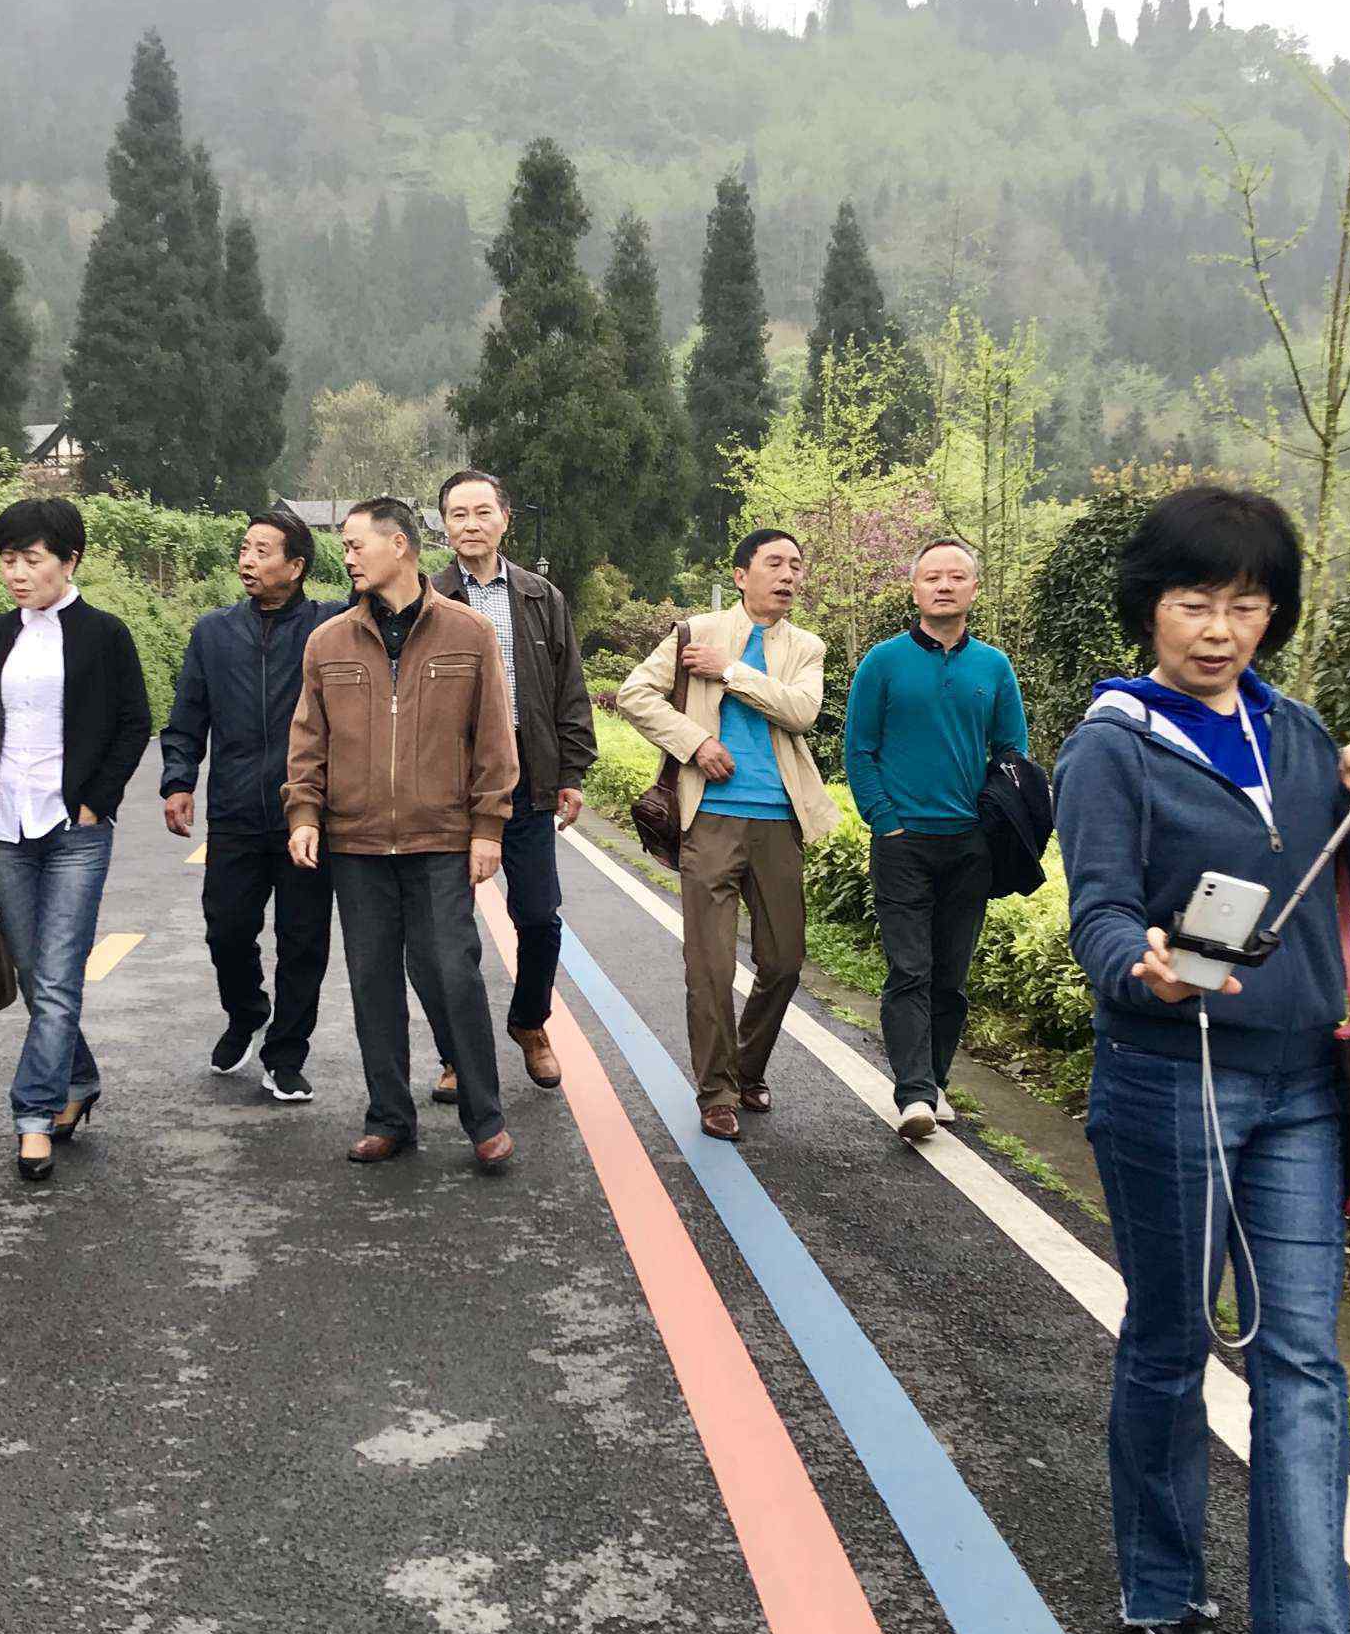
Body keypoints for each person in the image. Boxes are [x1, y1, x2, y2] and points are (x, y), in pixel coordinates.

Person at [1053, 484, 1350, 1634]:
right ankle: (1161, 1582)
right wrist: (1138, 969)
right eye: (1195, 602)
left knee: (1302, 1359)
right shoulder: (1112, 745)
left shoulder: (1297, 733)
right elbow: (1098, 908)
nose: (1219, 630)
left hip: (1305, 1086)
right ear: (1150, 607)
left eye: (1247, 605)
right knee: (1168, 1342)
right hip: (1169, 1078)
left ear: (1275, 614)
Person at [284, 496, 519, 1173]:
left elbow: (493, 739)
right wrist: (304, 814)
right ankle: (388, 1117)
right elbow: (308, 740)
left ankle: (484, 1119)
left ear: (400, 546)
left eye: (356, 544)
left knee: (453, 974)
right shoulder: (329, 641)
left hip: (440, 839)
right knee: (372, 982)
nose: (348, 557)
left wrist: (488, 826)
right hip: (357, 844)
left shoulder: (469, 632)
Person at [614, 529, 837, 1143]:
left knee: (784, 960)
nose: (788, 575)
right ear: (741, 575)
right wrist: (695, 743)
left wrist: (731, 672)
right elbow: (634, 694)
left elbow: (801, 711)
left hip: (779, 819)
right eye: (774, 563)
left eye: (796, 565)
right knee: (709, 964)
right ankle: (716, 1091)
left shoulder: (807, 646)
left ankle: (747, 1067)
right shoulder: (696, 632)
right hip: (709, 817)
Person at [0, 497, 152, 1184]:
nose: (16, 573)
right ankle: (79, 1079)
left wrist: (97, 801)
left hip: (74, 831)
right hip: (4, 829)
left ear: (70, 560)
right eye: (7, 559)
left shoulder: (104, 634)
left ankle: (33, 1115)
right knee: (37, 976)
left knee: (60, 976)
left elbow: (134, 721)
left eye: (31, 559)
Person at [843, 537, 1030, 1143]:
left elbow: (1013, 755)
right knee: (909, 969)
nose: (943, 585)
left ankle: (936, 1080)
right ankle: (915, 1094)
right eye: (932, 577)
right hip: (902, 844)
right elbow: (859, 750)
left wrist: (991, 823)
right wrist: (884, 819)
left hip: (969, 846)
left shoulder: (994, 667)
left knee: (950, 976)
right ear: (915, 589)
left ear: (974, 587)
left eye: (955, 576)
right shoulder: (883, 662)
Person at [424, 470, 595, 1101]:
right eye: (457, 514)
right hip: (445, 781)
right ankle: (455, 1053)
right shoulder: (425, 595)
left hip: (526, 776)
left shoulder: (540, 596)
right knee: (447, 928)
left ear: (505, 519)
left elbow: (569, 688)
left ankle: (529, 1022)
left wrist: (571, 773)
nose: (471, 524)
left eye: (482, 512)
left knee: (540, 916)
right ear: (443, 525)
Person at [159, 508, 335, 1103]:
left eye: (263, 551)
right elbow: (187, 714)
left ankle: (286, 1054)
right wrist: (178, 781)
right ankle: (246, 1010)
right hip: (234, 811)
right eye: (244, 549)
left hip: (307, 814)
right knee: (227, 930)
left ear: (297, 565)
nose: (247, 560)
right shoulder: (213, 632)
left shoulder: (328, 627)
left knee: (303, 940)